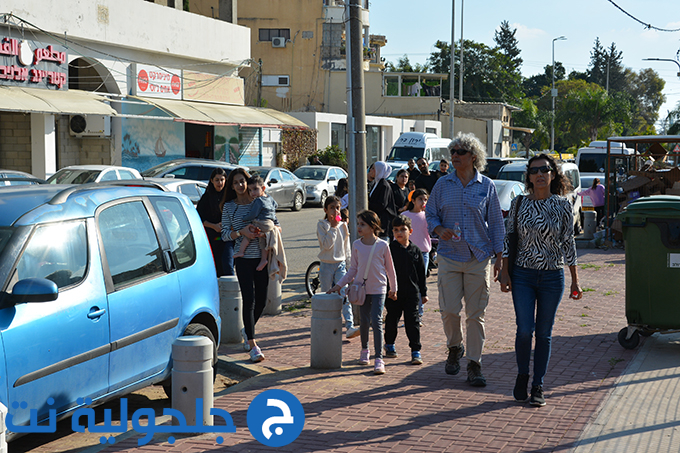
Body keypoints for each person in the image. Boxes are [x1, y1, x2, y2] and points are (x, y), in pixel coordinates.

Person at [499, 154, 582, 407]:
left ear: (553, 174)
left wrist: (575, 280)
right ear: (529, 176)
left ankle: (538, 385)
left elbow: (568, 242)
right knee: (525, 330)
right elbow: (508, 238)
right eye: (534, 170)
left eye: (545, 169)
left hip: (552, 276)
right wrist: (504, 271)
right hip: (522, 274)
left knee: (544, 334)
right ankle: (523, 374)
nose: (540, 174)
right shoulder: (519, 204)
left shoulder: (563, 205)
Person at [425, 132, 505, 387]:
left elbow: (496, 224)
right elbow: (430, 214)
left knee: (475, 315)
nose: (455, 156)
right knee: (449, 310)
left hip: (478, 257)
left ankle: (474, 364)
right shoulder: (442, 185)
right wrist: (438, 230)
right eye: (453, 152)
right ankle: (454, 347)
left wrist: (500, 259)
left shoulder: (487, 186)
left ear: (473, 157)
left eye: (460, 152)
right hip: (449, 256)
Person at [329, 210, 397, 375]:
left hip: (379, 288)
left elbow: (390, 269)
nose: (358, 227)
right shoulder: (357, 245)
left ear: (373, 226)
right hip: (361, 289)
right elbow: (352, 269)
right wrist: (339, 285)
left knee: (376, 320)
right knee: (365, 321)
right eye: (358, 223)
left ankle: (379, 358)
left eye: (362, 224)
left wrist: (394, 288)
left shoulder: (383, 245)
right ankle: (364, 350)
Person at [221, 168, 277, 363]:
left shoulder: (261, 200)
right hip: (243, 259)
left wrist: (270, 230)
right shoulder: (229, 207)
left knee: (262, 299)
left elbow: (275, 222)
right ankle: (253, 345)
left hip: (262, 257)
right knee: (249, 299)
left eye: (242, 181)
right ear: (232, 186)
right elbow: (225, 234)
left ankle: (247, 330)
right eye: (235, 182)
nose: (240, 185)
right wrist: (241, 232)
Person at [384, 215, 428, 365]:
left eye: (403, 229)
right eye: (396, 230)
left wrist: (424, 293)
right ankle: (389, 345)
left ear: (410, 231)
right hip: (393, 294)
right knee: (391, 320)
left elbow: (421, 273)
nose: (399, 233)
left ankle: (416, 350)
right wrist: (388, 291)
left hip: (412, 293)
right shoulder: (389, 250)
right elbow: (384, 272)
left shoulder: (415, 250)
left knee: (413, 321)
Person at [317, 195, 360, 339]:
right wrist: (333, 228)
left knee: (344, 294)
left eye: (337, 207)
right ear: (326, 210)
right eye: (332, 208)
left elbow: (346, 247)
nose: (335, 211)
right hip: (326, 265)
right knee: (327, 295)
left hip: (340, 264)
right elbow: (327, 245)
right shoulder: (322, 225)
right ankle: (327, 325)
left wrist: (349, 265)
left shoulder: (343, 225)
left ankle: (349, 326)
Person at [233, 176, 278, 272]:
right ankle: (264, 260)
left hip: (262, 222)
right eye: (250, 190)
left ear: (263, 188)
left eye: (255, 189)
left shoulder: (258, 201)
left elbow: (253, 214)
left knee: (249, 232)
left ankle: (241, 251)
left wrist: (244, 219)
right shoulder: (269, 198)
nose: (252, 193)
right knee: (263, 241)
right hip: (271, 223)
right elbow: (275, 205)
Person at [403, 188, 432, 324]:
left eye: (425, 199)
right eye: (420, 199)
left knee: (420, 282)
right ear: (413, 200)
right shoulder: (405, 215)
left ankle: (418, 314)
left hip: (424, 253)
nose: (423, 202)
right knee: (408, 283)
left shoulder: (428, 216)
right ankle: (409, 312)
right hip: (407, 252)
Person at [196, 168, 231, 276]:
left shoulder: (229, 196)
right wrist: (214, 226)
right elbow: (199, 218)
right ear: (211, 181)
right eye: (217, 180)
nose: (219, 183)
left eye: (222, 179)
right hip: (212, 237)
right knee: (214, 264)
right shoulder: (206, 197)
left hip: (228, 236)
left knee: (227, 264)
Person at [368, 161, 397, 238]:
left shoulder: (384, 185)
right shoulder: (376, 183)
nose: (371, 170)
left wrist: (367, 204)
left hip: (383, 223)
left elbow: (381, 205)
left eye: (374, 168)